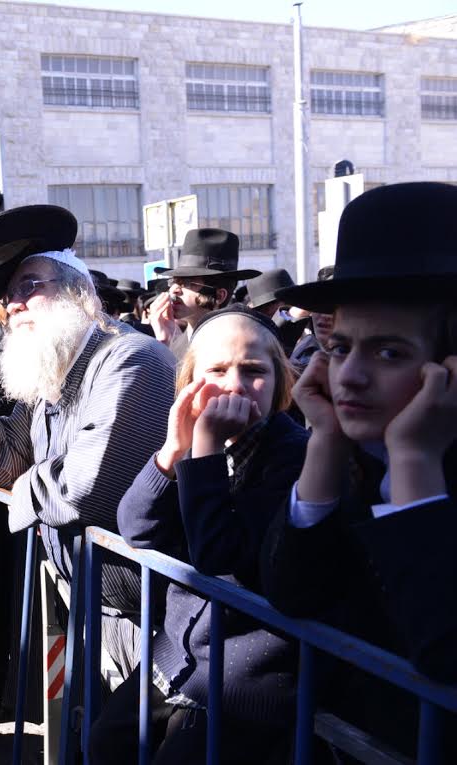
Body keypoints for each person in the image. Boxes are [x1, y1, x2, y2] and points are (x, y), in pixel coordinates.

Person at [0, 205, 175, 683]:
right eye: (9, 295)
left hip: (153, 621)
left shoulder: (131, 360)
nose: (14, 304)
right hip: (92, 603)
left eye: (30, 287)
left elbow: (84, 488)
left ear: (79, 294)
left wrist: (23, 492)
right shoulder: (52, 377)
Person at [259, 182, 457, 759]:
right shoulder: (358, 449)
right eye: (341, 347)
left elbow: (445, 652)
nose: (348, 377)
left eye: (390, 352)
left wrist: (415, 463)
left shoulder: (409, 449)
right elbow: (292, 591)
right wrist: (325, 440)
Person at [90, 305, 307, 764]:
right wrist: (173, 450)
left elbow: (219, 553)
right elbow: (136, 526)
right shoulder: (197, 442)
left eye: (253, 371)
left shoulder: (293, 456)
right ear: (190, 380)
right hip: (176, 657)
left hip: (244, 682)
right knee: (105, 743)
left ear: (281, 381)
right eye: (217, 370)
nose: (234, 385)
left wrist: (204, 448)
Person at [148, 229, 260, 355]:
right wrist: (166, 342)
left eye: (187, 283)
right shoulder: (174, 343)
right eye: (173, 282)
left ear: (219, 296)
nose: (173, 290)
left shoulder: (237, 346)